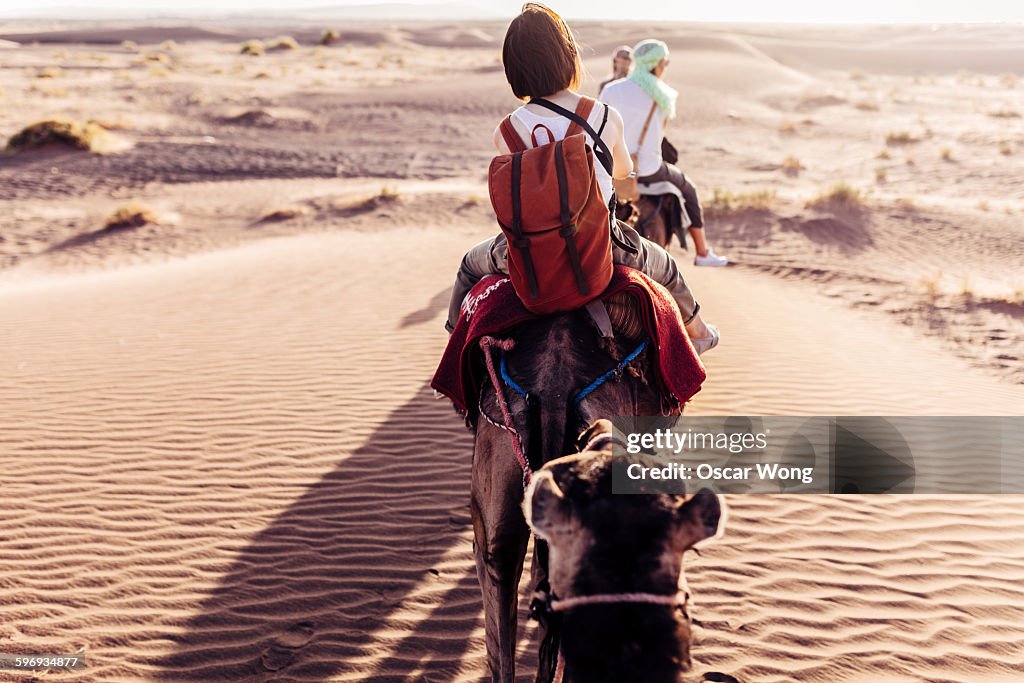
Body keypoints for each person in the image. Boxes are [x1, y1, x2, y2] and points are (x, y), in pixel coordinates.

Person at [445, 3, 719, 353]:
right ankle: (699, 333)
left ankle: (455, 345)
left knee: (469, 266)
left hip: (529, 253)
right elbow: (622, 171)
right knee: (665, 266)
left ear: (513, 68)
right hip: (601, 245)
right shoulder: (604, 115)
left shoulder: (507, 131)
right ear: (568, 57)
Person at [600, 39, 728, 267]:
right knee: (689, 189)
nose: (665, 68)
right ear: (656, 64)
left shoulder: (611, 89)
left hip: (613, 169)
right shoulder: (663, 96)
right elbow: (659, 134)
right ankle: (702, 252)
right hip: (648, 169)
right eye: (665, 63)